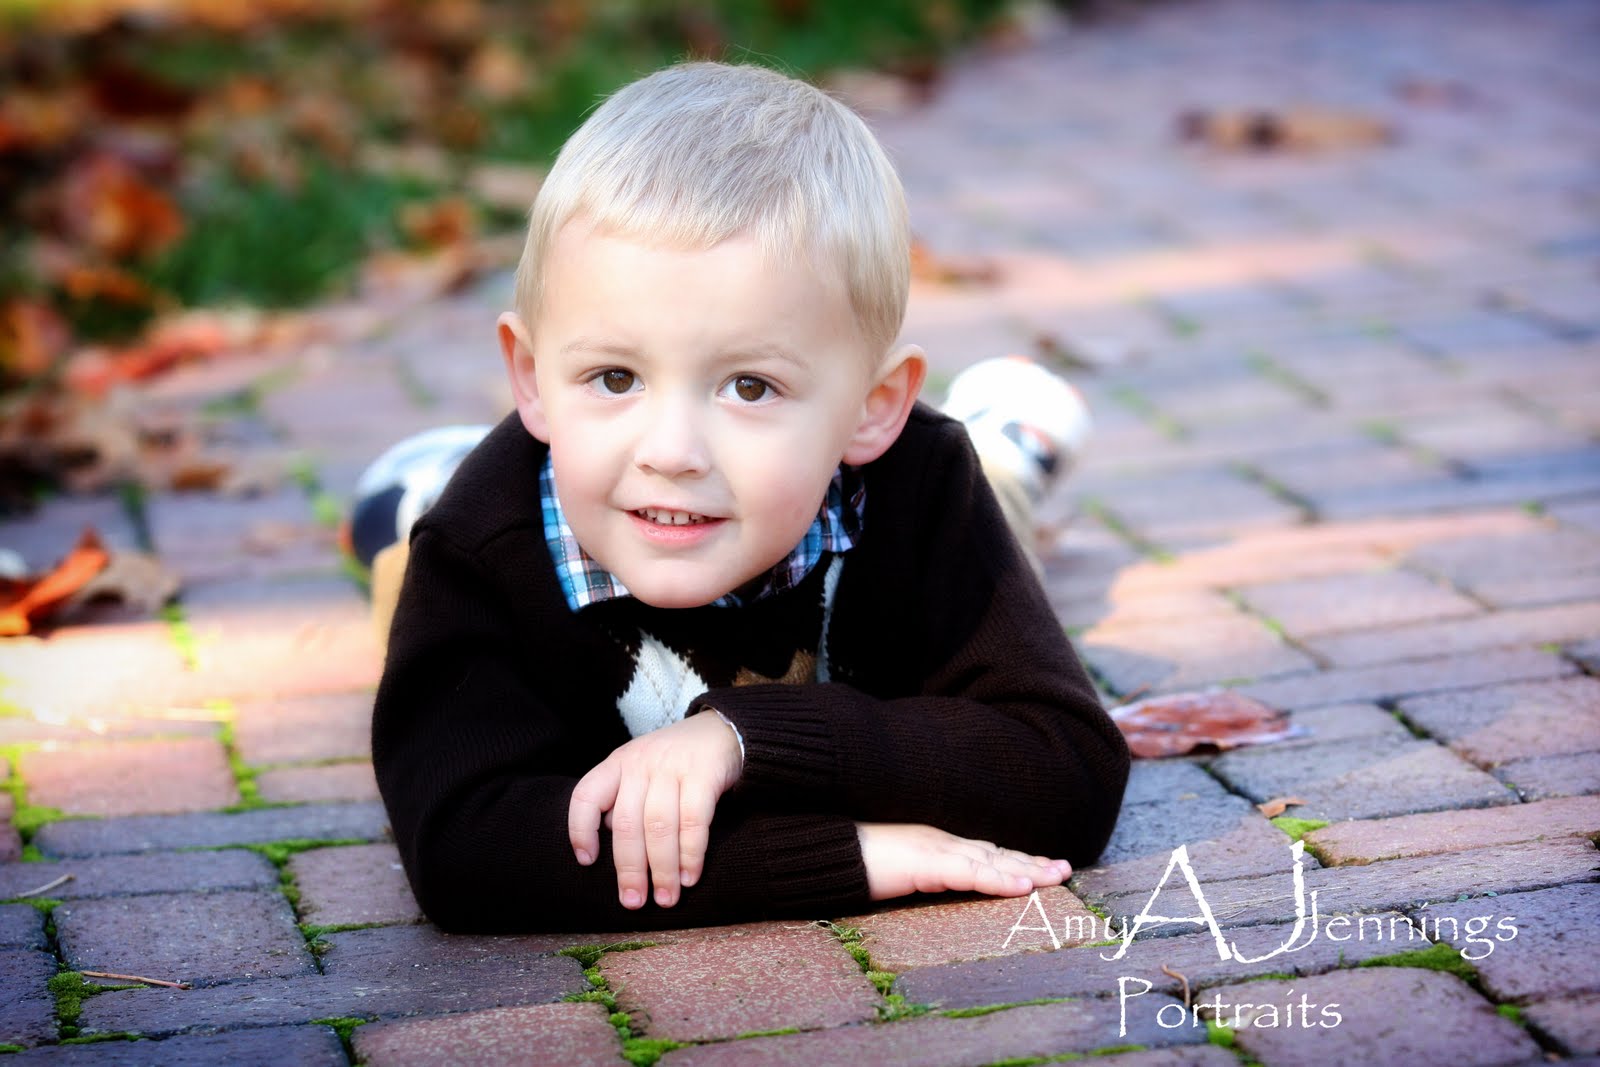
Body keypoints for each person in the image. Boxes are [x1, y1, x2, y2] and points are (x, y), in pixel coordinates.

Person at [369, 61, 1128, 933]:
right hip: (477, 528)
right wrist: (854, 856)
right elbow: (465, 850)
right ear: (532, 379)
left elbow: (1065, 768)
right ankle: (413, 496)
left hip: (893, 488)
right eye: (615, 377)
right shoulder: (479, 547)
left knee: (992, 499)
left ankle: (1011, 451)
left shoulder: (916, 484)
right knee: (407, 579)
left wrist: (746, 738)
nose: (672, 452)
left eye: (750, 388)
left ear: (872, 407)